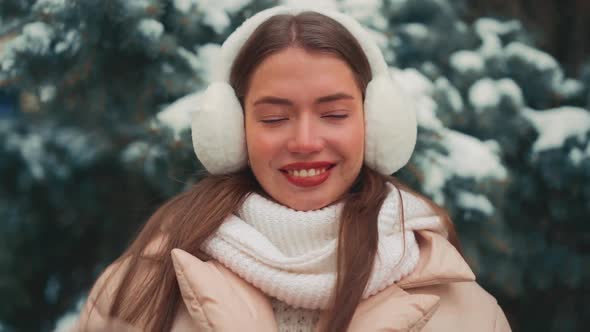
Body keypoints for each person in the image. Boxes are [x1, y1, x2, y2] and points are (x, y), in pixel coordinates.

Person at [74, 5, 511, 332]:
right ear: (233, 129)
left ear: (374, 122)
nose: (304, 142)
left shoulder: (465, 311)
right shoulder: (141, 287)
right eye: (274, 118)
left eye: (334, 114)